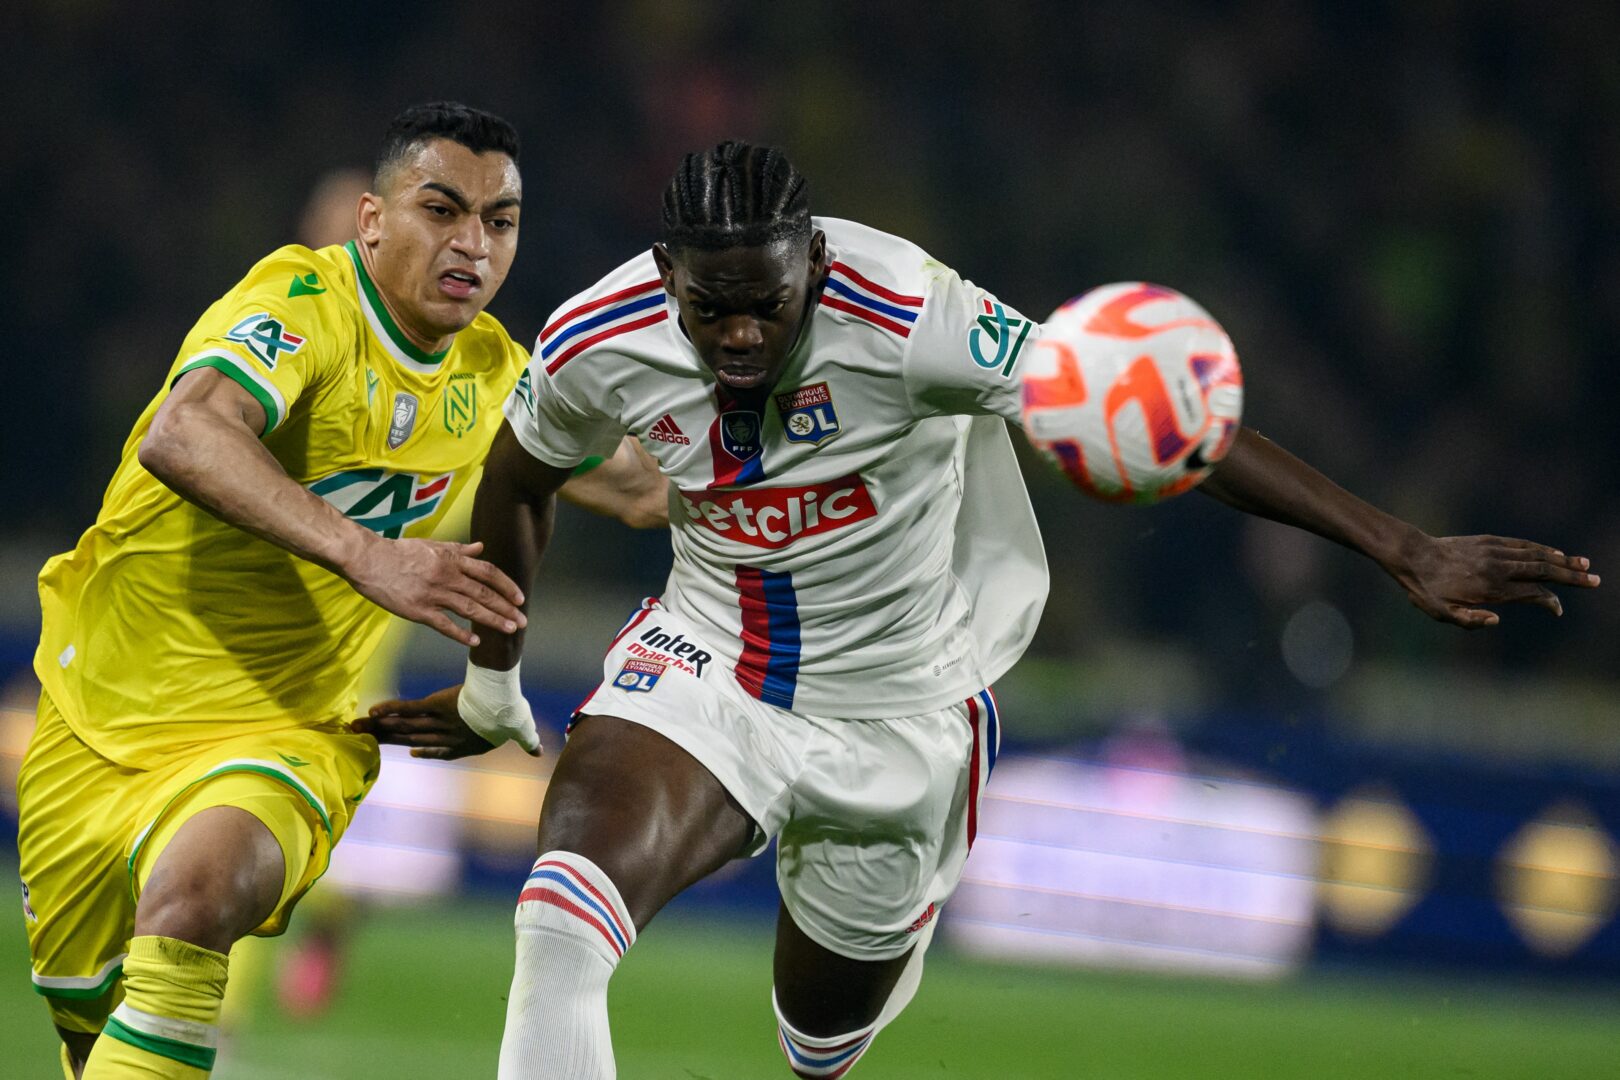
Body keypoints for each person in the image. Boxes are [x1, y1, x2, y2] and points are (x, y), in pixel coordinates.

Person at [365, 140, 1599, 1079]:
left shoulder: (915, 314)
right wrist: (493, 675)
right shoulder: (602, 335)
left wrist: (1401, 547)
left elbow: (1159, 422)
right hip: (710, 662)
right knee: (561, 915)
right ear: (667, 277)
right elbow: (518, 480)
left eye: (765, 304)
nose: (736, 334)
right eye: (709, 307)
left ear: (814, 266)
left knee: (818, 1042)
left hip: (903, 710)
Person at [18, 102, 666, 1080]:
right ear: (372, 220)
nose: (473, 244)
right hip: (99, 714)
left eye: (499, 222)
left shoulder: (498, 377)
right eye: (441, 210)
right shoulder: (302, 306)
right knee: (90, 1031)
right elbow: (185, 433)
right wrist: (367, 554)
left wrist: (805, 436)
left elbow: (645, 489)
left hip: (288, 729)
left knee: (199, 895)